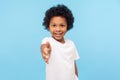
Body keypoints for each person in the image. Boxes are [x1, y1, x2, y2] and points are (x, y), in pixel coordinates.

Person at [40, 4, 80, 80]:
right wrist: (45, 51)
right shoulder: (48, 41)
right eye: (54, 25)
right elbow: (44, 46)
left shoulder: (71, 44)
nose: (58, 29)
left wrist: (77, 77)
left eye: (62, 25)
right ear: (48, 26)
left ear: (67, 26)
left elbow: (74, 64)